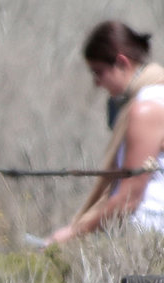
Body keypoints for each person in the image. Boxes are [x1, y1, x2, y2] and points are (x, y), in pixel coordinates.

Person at [47, 21, 164, 245]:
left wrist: (72, 233)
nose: (97, 83)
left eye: (98, 72)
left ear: (121, 62)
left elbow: (128, 198)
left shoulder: (147, 108)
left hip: (150, 237)